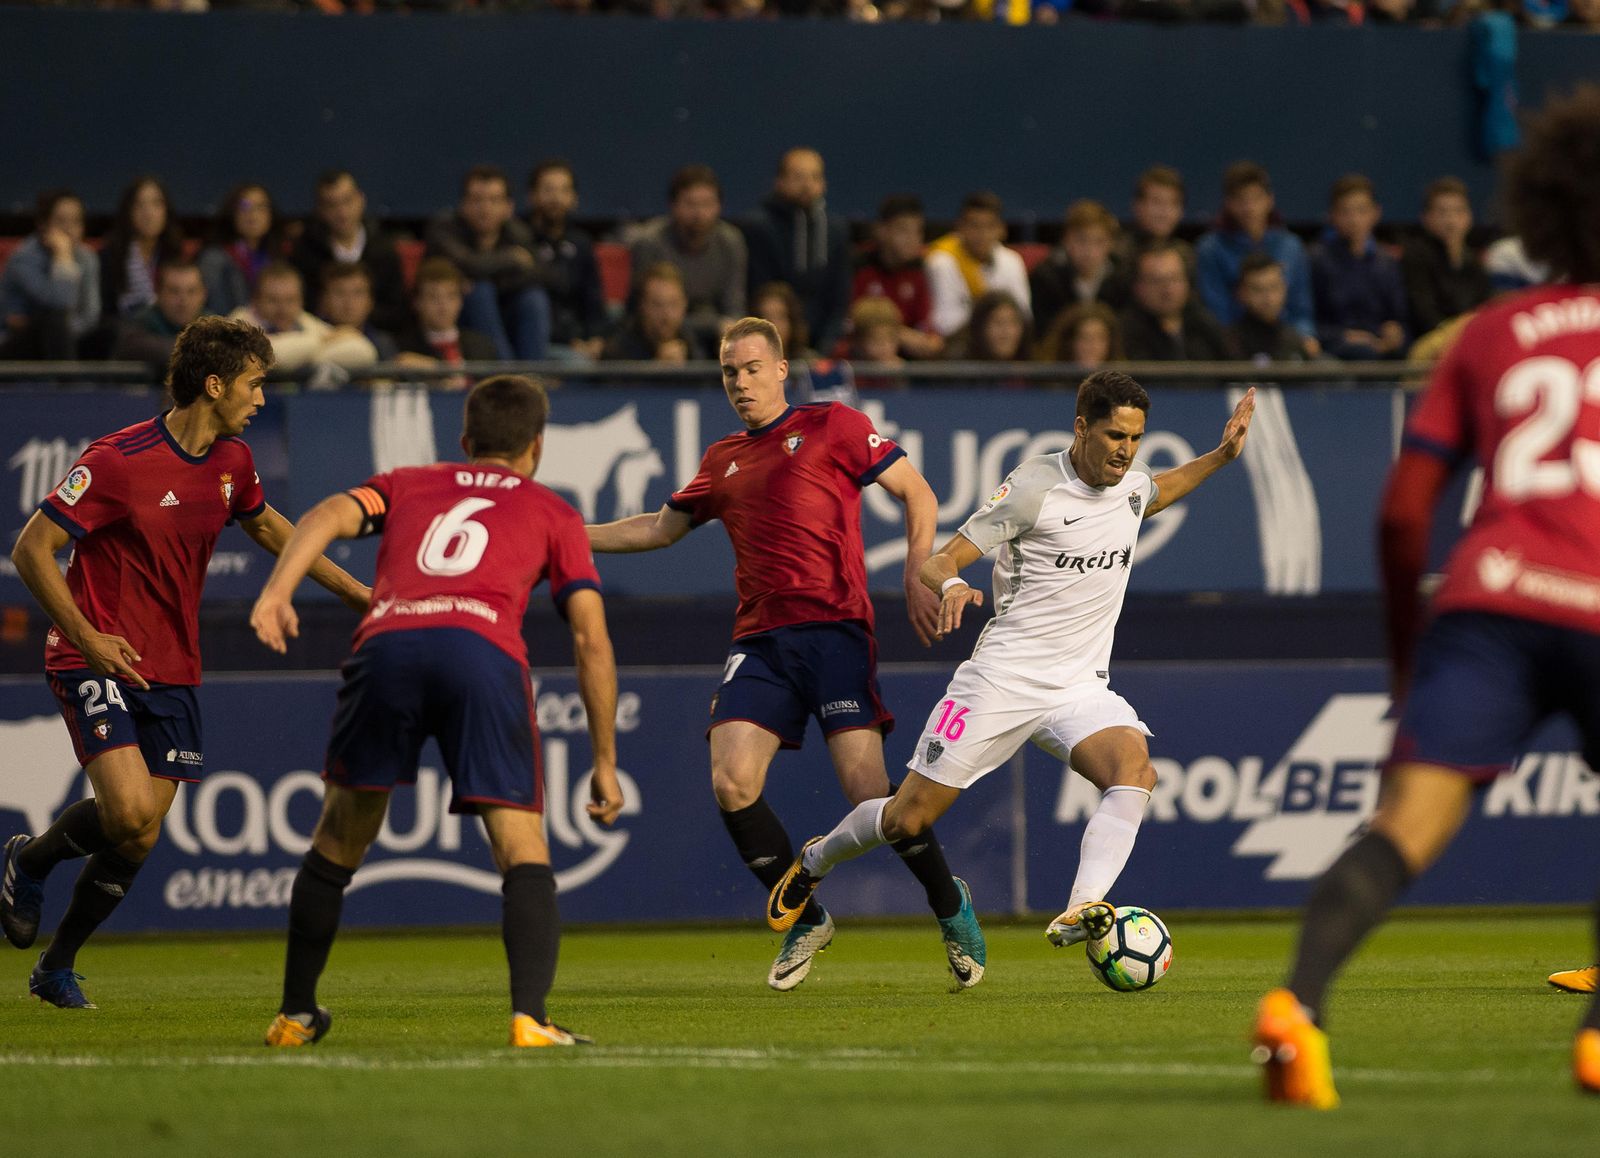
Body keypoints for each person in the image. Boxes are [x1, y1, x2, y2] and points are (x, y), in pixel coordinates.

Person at [1251, 86, 1600, 1108]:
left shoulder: (1490, 333)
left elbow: (1406, 511)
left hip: (1490, 605)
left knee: (1404, 826)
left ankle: (1296, 1006)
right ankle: (1594, 1041)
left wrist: (1410, 649)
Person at [767, 373, 1255, 959]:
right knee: (906, 820)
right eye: (1114, 436)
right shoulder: (1033, 488)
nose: (1126, 451)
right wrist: (952, 584)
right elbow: (940, 560)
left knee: (1136, 772)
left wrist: (1221, 457)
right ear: (1081, 428)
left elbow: (1156, 491)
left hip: (1079, 688)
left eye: (1135, 438)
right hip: (1001, 681)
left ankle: (1081, 908)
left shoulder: (1129, 485)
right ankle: (815, 860)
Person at [584, 317, 985, 992]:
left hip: (836, 633)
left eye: (750, 369)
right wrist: (567, 534)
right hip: (761, 642)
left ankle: (951, 905)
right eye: (728, 372)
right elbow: (657, 528)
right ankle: (808, 918)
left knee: (870, 795)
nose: (740, 383)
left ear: (779, 370)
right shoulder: (722, 459)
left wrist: (917, 568)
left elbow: (916, 492)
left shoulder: (834, 425)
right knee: (731, 782)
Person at [0, 317, 369, 1009]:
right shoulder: (117, 461)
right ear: (215, 384)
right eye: (255, 384)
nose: (262, 398)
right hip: (95, 656)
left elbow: (268, 526)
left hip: (172, 667)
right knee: (129, 811)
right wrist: (86, 635)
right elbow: (30, 548)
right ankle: (29, 859)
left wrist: (356, 594)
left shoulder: (234, 462)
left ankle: (56, 964)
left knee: (138, 837)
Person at [249, 374, 621, 1049]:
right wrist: (604, 760)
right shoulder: (554, 512)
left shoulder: (409, 482)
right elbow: (590, 637)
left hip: (387, 646)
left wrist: (278, 592)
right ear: (538, 446)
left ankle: (296, 1014)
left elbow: (326, 513)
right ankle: (530, 1018)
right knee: (520, 844)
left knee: (337, 839)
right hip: (481, 652)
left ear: (464, 439)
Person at [425, 166, 549, 361]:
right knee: (480, 292)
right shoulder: (444, 230)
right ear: (463, 205)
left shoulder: (519, 234)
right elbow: (469, 263)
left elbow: (538, 274)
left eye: (494, 200)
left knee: (533, 298)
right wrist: (509, 258)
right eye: (477, 200)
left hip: (505, 316)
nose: (485, 209)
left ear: (509, 207)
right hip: (457, 321)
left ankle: (534, 374)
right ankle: (502, 373)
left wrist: (486, 278)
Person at [742, 147, 853, 354]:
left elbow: (839, 298)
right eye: (798, 177)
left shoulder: (836, 230)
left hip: (822, 347)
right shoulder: (758, 227)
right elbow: (760, 293)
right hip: (771, 344)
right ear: (779, 181)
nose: (807, 185)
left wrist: (824, 350)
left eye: (815, 177)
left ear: (824, 184)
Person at [629, 164, 747, 352]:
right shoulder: (650, 243)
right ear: (673, 206)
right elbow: (642, 311)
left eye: (707, 204)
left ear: (719, 206)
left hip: (717, 339)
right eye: (690, 204)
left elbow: (734, 308)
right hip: (658, 335)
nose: (699, 214)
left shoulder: (731, 242)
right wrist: (708, 325)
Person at [1195, 161, 1314, 341]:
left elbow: (1302, 311)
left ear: (1270, 199)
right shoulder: (1209, 249)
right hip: (1235, 346)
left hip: (1287, 343)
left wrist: (1304, 338)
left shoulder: (1291, 246)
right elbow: (1217, 313)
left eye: (1256, 198)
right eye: (1241, 200)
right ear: (1228, 203)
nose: (1249, 208)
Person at [289, 170, 411, 336]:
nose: (342, 212)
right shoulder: (306, 252)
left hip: (375, 336)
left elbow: (397, 309)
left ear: (361, 199)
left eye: (347, 200)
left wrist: (360, 316)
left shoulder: (384, 250)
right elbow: (302, 306)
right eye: (332, 205)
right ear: (320, 210)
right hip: (321, 337)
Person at [1310, 174, 1408, 361]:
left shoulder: (1387, 262)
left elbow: (1399, 317)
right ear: (1332, 216)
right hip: (1337, 351)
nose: (1354, 219)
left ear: (1376, 213)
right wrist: (1343, 336)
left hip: (1382, 349)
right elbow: (1312, 325)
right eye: (1345, 212)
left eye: (1361, 210)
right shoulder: (1318, 260)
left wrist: (1395, 331)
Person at [229, 261, 378, 384]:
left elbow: (364, 351)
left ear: (301, 301)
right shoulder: (238, 322)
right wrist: (323, 342)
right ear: (256, 300)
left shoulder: (306, 321)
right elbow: (272, 356)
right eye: (273, 300)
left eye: (290, 300)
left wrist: (300, 357)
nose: (282, 308)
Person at [0, 189, 100, 361]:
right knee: (54, 320)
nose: (69, 229)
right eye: (61, 221)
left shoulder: (87, 258)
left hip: (66, 338)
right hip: (16, 342)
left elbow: (90, 315)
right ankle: (69, 379)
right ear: (43, 224)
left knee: (110, 331)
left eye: (75, 221)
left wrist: (65, 335)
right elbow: (60, 304)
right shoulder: (23, 259)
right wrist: (63, 259)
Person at [526, 159, 608, 360]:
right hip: (541, 342)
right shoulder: (521, 240)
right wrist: (571, 341)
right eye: (548, 190)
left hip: (579, 338)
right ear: (532, 196)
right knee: (579, 364)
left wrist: (597, 337)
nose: (556, 198)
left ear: (574, 198)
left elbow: (593, 299)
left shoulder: (581, 243)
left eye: (564, 191)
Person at [926, 191, 1032, 338]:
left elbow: (1024, 315)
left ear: (1002, 229)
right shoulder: (941, 262)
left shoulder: (1012, 261)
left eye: (989, 226)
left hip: (1005, 341)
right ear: (960, 226)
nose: (982, 234)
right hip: (961, 343)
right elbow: (945, 324)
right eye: (974, 226)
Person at [1400, 176, 1492, 341]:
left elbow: (1484, 308)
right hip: (1431, 341)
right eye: (1442, 212)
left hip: (1469, 339)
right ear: (1426, 218)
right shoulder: (1416, 256)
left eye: (1458, 211)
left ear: (1469, 217)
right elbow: (1424, 314)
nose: (1451, 220)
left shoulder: (1473, 260)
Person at [850, 194, 943, 359]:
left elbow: (929, 333)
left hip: (904, 361)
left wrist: (930, 342)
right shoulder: (858, 267)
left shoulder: (918, 271)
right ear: (882, 231)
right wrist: (897, 334)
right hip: (861, 358)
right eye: (903, 230)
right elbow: (851, 324)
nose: (912, 239)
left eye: (918, 231)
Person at [1118, 243, 1234, 362]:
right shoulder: (1124, 334)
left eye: (1174, 279)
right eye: (1155, 281)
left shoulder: (1205, 323)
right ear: (1137, 286)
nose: (1167, 289)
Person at [1029, 199, 1128, 335]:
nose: (1089, 251)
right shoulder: (1045, 278)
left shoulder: (1122, 278)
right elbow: (1043, 331)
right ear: (1066, 240)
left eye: (1098, 241)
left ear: (1110, 244)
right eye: (1081, 240)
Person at [99, 176, 185, 322]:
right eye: (140, 205)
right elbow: (105, 315)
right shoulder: (110, 256)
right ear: (128, 211)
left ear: (166, 210)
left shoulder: (174, 252)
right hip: (122, 329)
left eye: (156, 204)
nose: (148, 213)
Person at [197, 183, 281, 318]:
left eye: (261, 207)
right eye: (245, 206)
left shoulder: (276, 257)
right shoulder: (214, 260)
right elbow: (214, 314)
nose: (253, 214)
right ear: (232, 213)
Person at [110, 260, 209, 373]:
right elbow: (133, 347)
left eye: (191, 292)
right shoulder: (140, 325)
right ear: (158, 293)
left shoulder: (212, 325)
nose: (183, 301)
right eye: (174, 291)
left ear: (204, 294)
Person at [600, 263, 705, 363]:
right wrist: (657, 366)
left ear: (685, 304)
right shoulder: (617, 349)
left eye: (673, 304)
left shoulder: (690, 341)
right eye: (657, 305)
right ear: (642, 306)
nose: (666, 315)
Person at [1229, 253, 1314, 363]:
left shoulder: (1296, 341)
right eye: (1258, 290)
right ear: (1242, 293)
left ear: (1284, 288)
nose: (1268, 298)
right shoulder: (1231, 343)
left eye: (1274, 287)